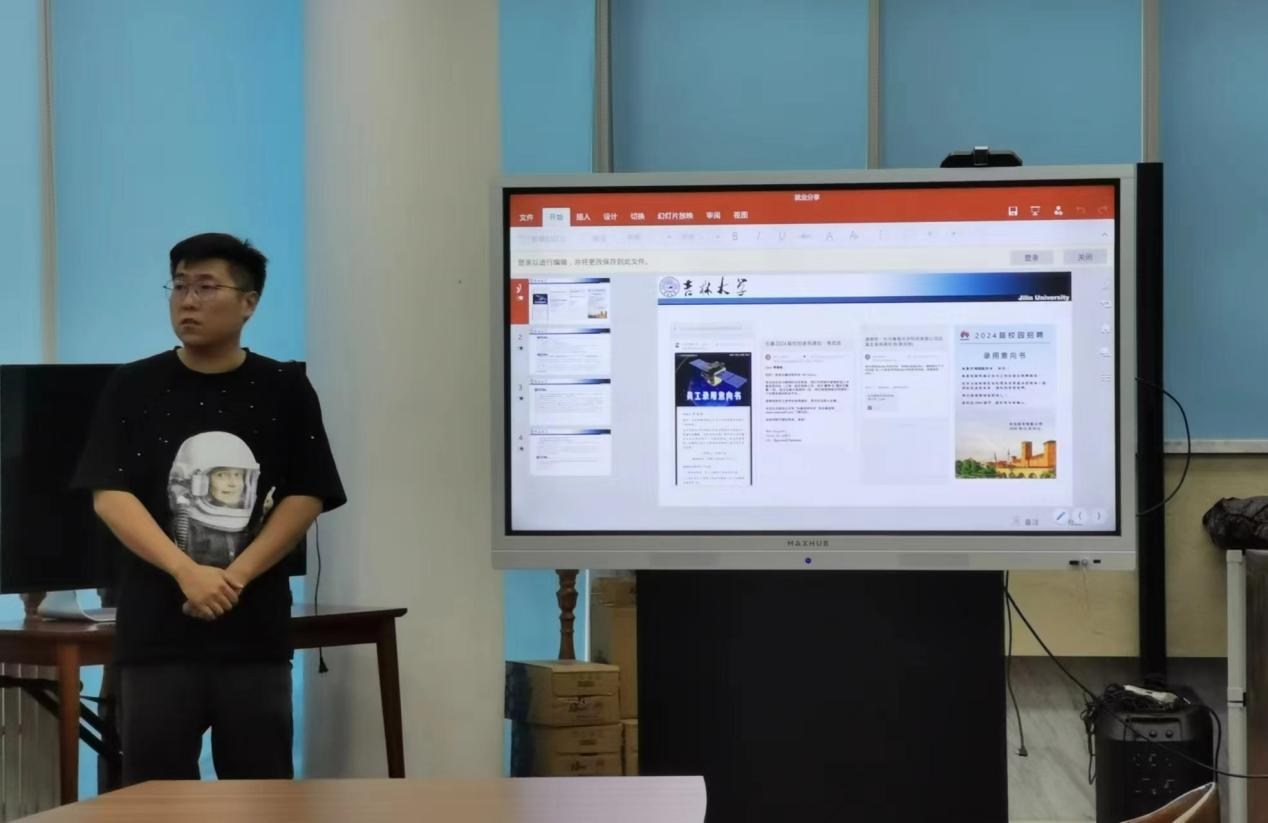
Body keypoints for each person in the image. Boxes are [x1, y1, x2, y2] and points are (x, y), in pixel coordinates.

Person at [73, 232, 346, 784]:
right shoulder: (132, 385)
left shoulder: (285, 388)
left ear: (249, 302)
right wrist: (186, 571)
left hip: (254, 633)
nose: (188, 301)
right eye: (178, 286)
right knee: (156, 798)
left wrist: (234, 577)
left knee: (261, 792)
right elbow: (110, 494)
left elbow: (306, 493)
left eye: (205, 287)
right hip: (156, 632)